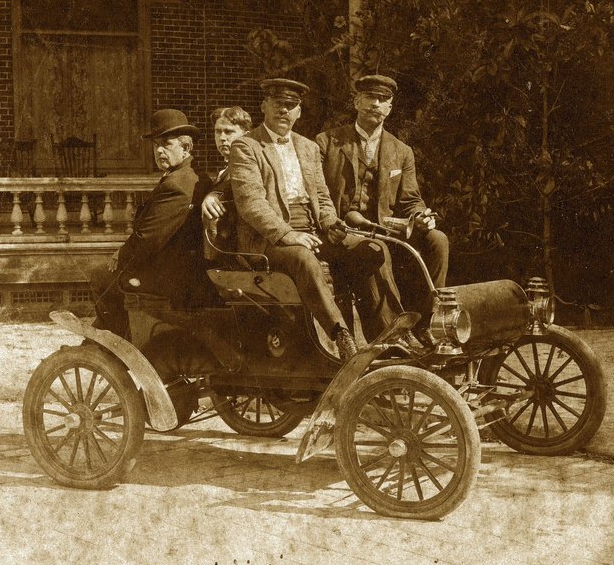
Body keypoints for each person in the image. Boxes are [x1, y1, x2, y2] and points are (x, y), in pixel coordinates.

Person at [227, 78, 405, 360]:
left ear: (299, 112)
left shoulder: (308, 147)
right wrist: (288, 234)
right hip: (269, 240)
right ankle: (341, 335)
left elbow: (322, 196)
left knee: (373, 249)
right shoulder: (246, 146)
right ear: (264, 107)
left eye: (291, 106)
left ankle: (389, 335)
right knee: (303, 258)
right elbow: (251, 204)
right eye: (278, 104)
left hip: (312, 230)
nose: (284, 111)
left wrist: (331, 223)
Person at [316, 74, 450, 317]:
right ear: (356, 102)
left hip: (385, 232)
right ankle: (393, 331)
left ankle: (429, 323)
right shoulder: (327, 142)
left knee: (437, 240)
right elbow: (314, 191)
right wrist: (328, 223)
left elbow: (410, 200)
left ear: (390, 108)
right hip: (339, 233)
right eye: (369, 97)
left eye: (382, 99)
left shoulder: (402, 151)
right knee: (376, 249)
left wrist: (420, 216)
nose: (375, 104)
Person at [89, 108, 212, 340]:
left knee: (100, 278)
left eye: (167, 144)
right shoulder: (188, 176)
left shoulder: (177, 185)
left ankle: (120, 344)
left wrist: (121, 255)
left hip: (172, 276)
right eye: (156, 145)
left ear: (186, 148)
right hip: (177, 266)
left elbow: (148, 239)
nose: (159, 151)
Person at [201, 105, 253, 256]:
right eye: (218, 132)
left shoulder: (249, 166)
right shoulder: (226, 168)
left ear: (246, 135)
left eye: (229, 132)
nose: (222, 137)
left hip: (240, 249)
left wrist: (214, 195)